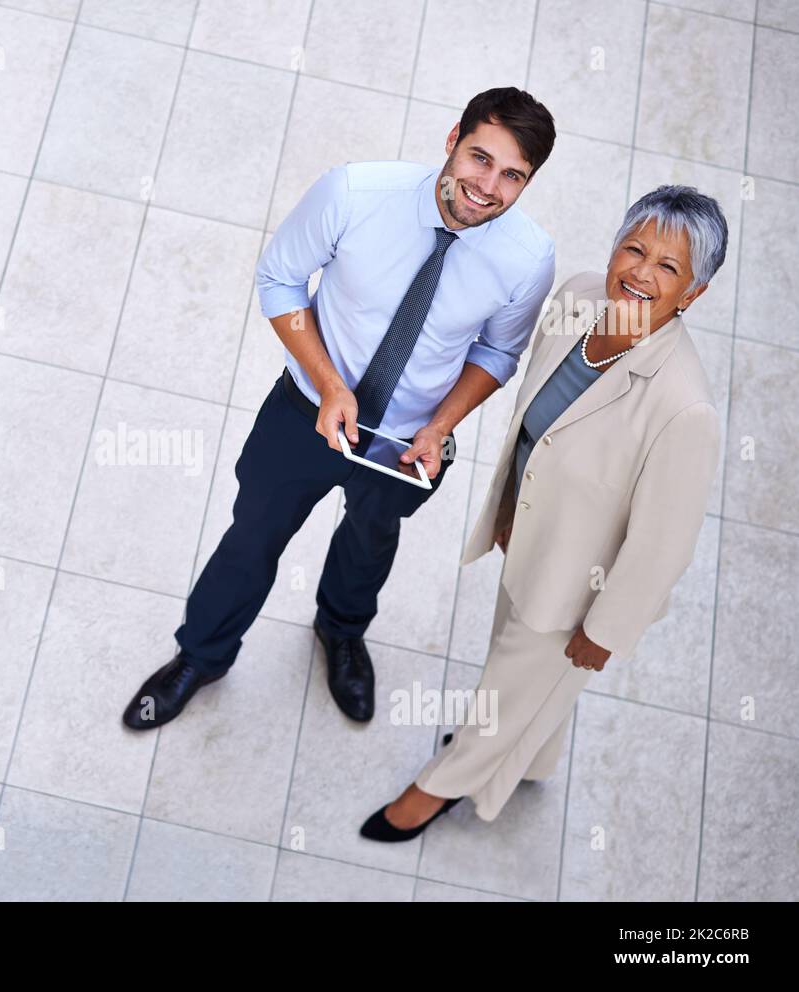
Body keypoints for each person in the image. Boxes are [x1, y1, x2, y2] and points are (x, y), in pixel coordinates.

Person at [121, 87, 558, 731]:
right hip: (307, 411)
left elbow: (497, 353)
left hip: (409, 442)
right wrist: (330, 384)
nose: (487, 186)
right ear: (451, 139)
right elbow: (279, 279)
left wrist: (440, 426)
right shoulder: (354, 193)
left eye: (512, 175)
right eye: (478, 157)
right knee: (252, 537)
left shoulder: (528, 258)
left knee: (370, 542)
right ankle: (202, 655)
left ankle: (342, 633)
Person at [360, 185, 726, 841]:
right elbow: (536, 425)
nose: (640, 273)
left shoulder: (684, 408)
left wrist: (606, 629)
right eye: (634, 248)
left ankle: (434, 790)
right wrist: (507, 508)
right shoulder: (580, 296)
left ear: (692, 294)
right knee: (524, 675)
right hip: (532, 537)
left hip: (581, 588)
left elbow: (664, 545)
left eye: (668, 268)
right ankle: (532, 757)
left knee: (506, 687)